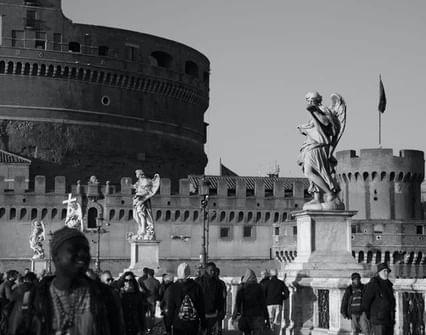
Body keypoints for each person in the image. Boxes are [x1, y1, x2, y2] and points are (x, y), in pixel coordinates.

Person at [18, 226, 125, 335]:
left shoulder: (106, 296)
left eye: (86, 250)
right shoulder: (32, 300)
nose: (83, 254)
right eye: (74, 249)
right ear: (56, 256)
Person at [166, 263, 206, 335]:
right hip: (193, 324)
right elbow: (201, 308)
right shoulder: (196, 287)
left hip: (178, 324)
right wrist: (203, 324)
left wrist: (168, 327)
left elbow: (171, 309)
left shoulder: (173, 288)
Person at [232, 269, 269, 335]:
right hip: (257, 316)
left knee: (247, 332)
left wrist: (234, 316)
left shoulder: (242, 288)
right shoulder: (259, 287)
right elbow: (263, 304)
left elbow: (237, 304)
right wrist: (267, 317)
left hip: (246, 316)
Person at [362, 263, 395, 335]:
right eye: (384, 271)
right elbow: (366, 302)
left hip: (389, 319)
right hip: (378, 320)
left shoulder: (389, 285)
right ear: (379, 272)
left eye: (387, 271)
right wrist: (371, 316)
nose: (386, 273)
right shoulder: (373, 284)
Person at [195, 262, 225, 335]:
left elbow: (221, 299)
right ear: (206, 270)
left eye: (214, 270)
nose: (213, 272)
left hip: (214, 314)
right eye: (211, 270)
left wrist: (221, 311)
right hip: (201, 314)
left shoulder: (218, 283)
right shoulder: (198, 281)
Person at [0, 269, 18, 334]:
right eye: (16, 275)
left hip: (6, 306)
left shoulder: (10, 283)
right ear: (12, 276)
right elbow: (9, 297)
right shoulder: (7, 284)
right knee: (6, 323)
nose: (17, 276)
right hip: (6, 306)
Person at [214, 267, 227, 335]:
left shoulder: (220, 283)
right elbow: (224, 297)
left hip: (217, 308)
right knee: (218, 327)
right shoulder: (222, 283)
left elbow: (224, 296)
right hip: (219, 308)